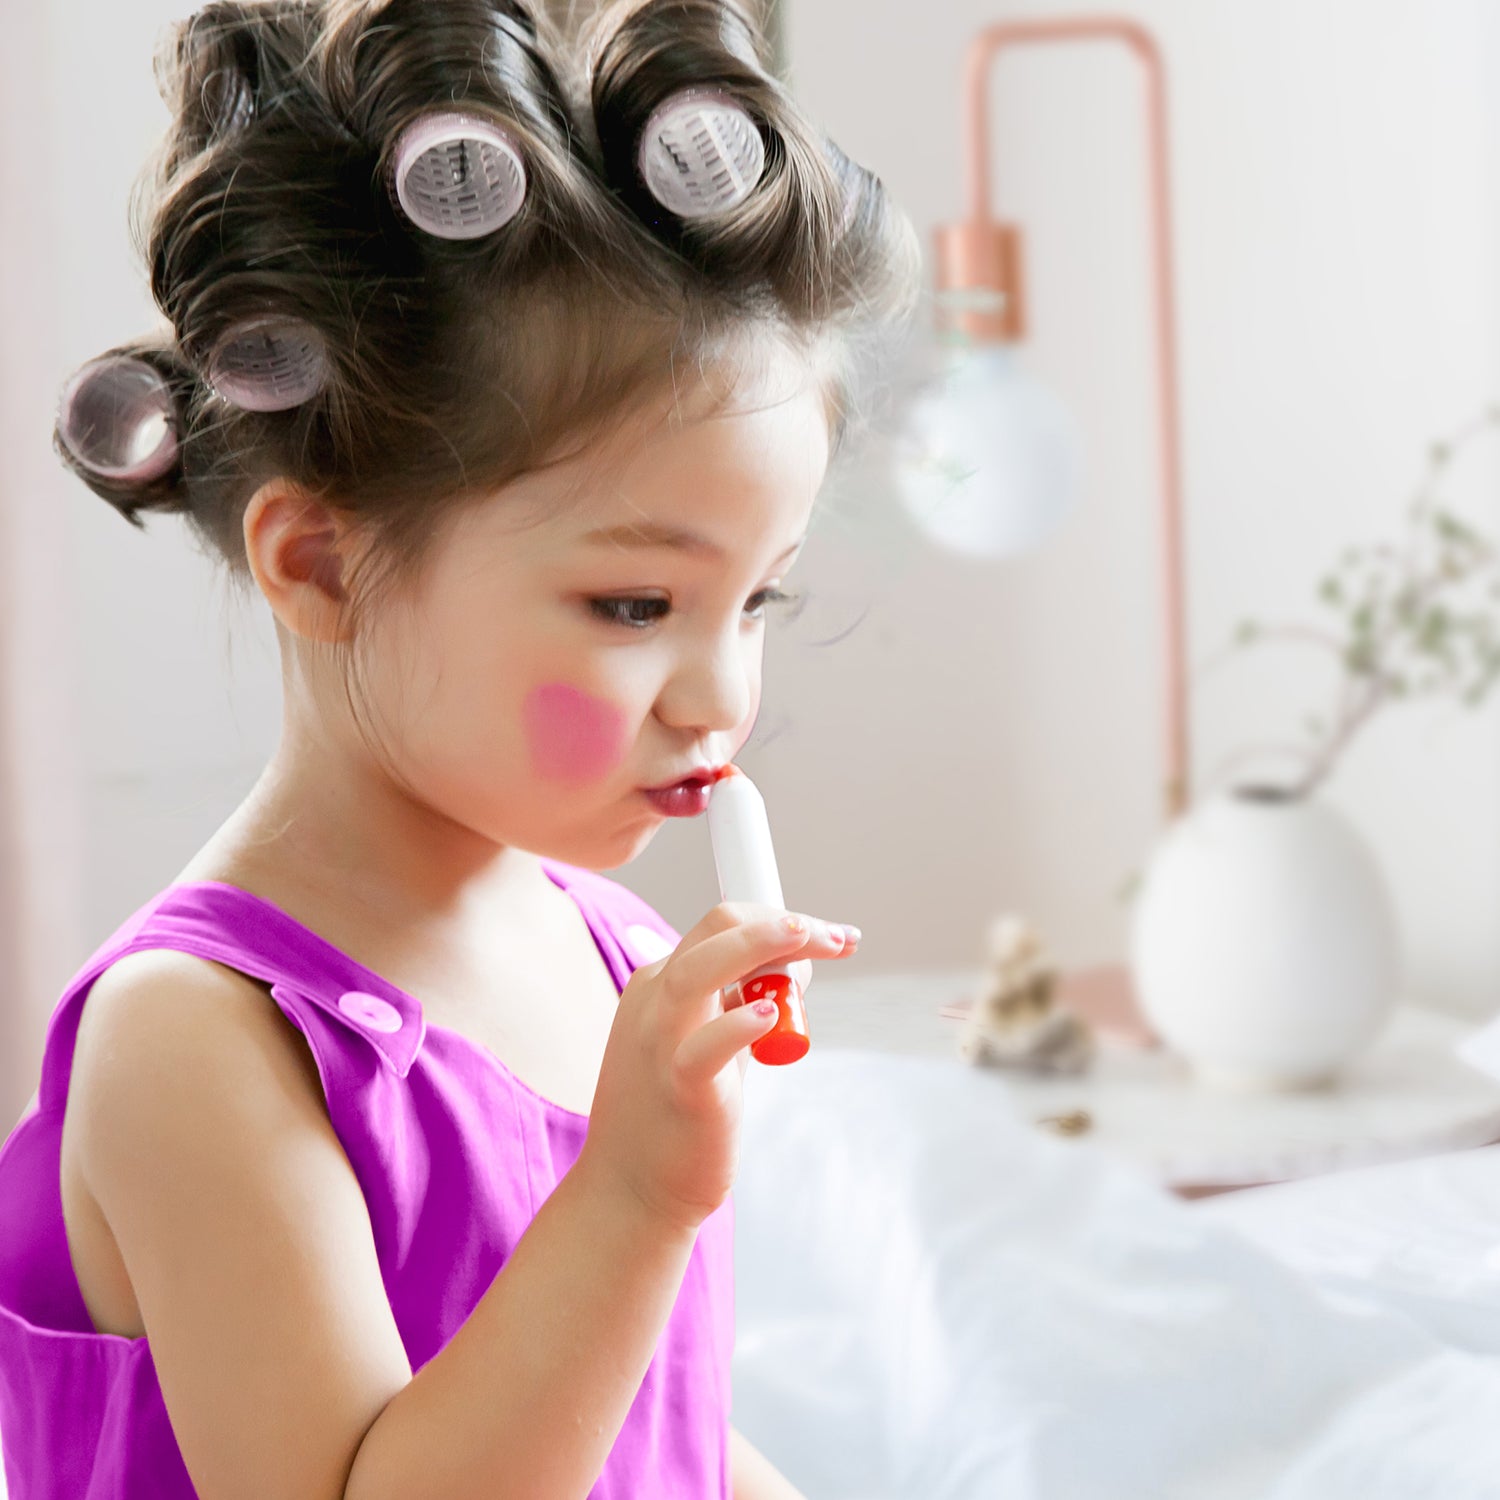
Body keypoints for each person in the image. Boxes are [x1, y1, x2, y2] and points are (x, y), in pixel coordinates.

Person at [0, 0, 919, 1495]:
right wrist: (631, 1197)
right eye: (636, 603)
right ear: (321, 567)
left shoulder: (610, 952)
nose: (718, 696)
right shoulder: (197, 1044)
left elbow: (649, 1436)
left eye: (756, 597)